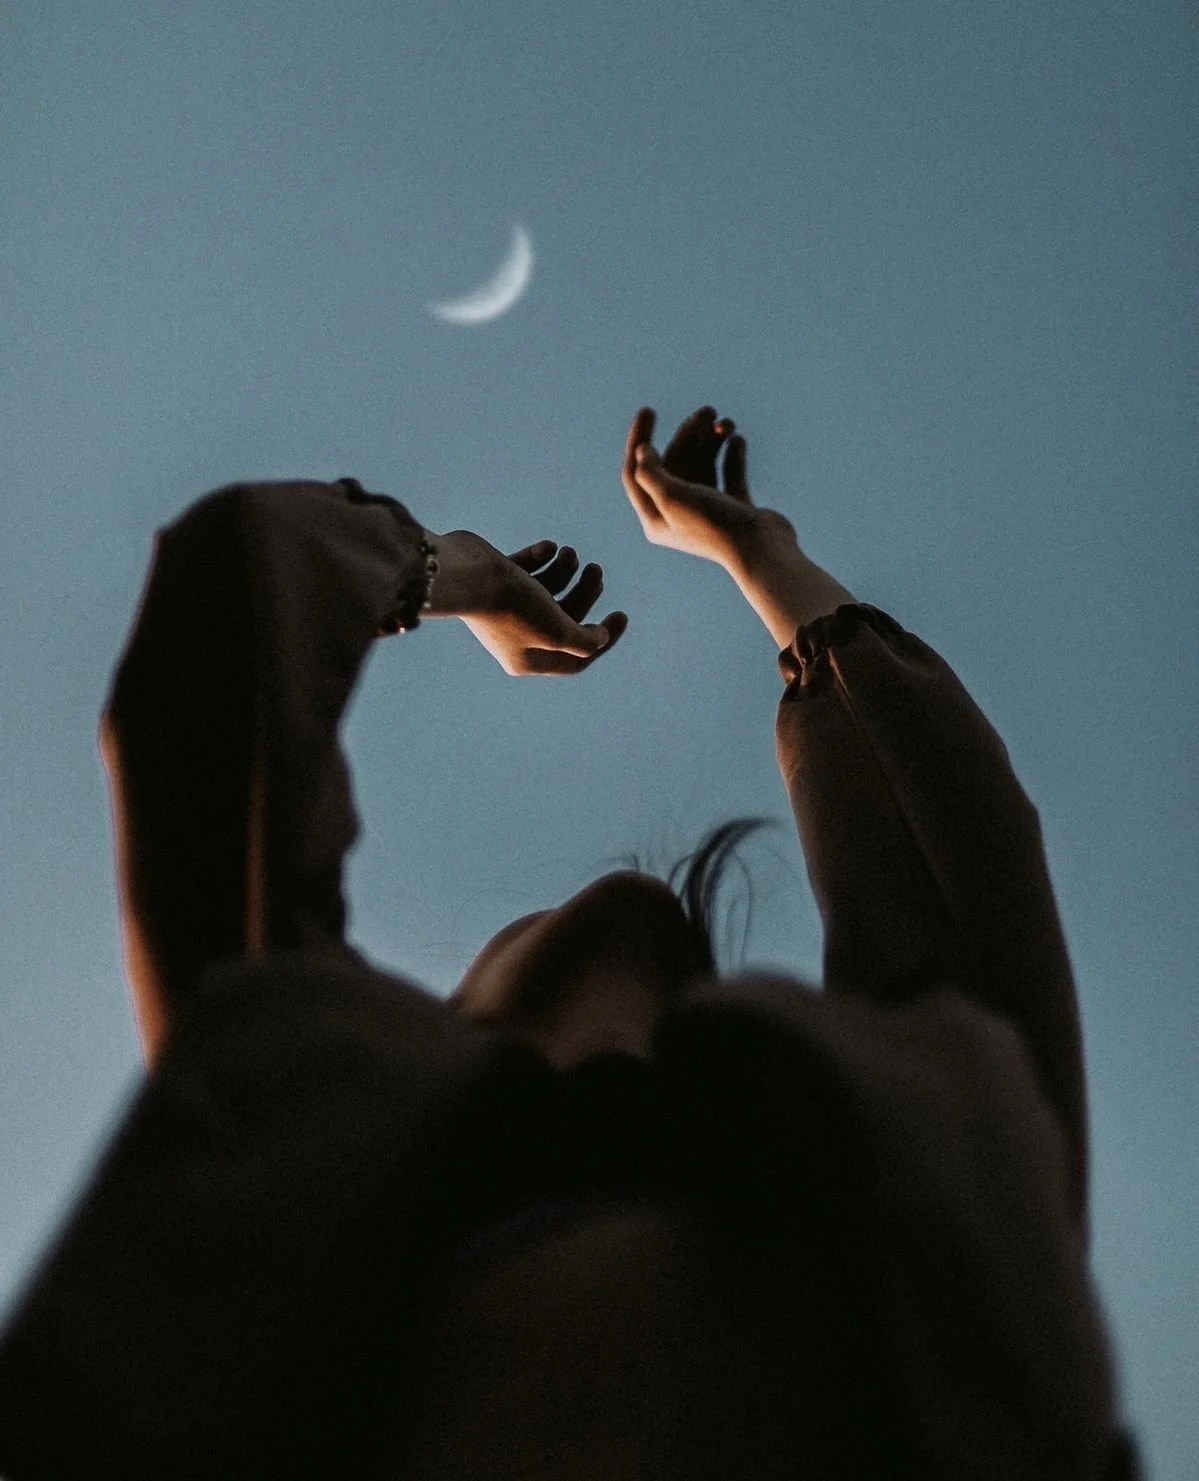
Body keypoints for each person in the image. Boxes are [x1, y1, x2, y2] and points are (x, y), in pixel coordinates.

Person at [0, 407, 1140, 1479]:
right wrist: (464, 571)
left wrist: (759, 554)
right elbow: (956, 865)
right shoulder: (301, 1135)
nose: (600, 899)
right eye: (527, 923)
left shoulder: (901, 1161)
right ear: (438, 1025)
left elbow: (224, 630)